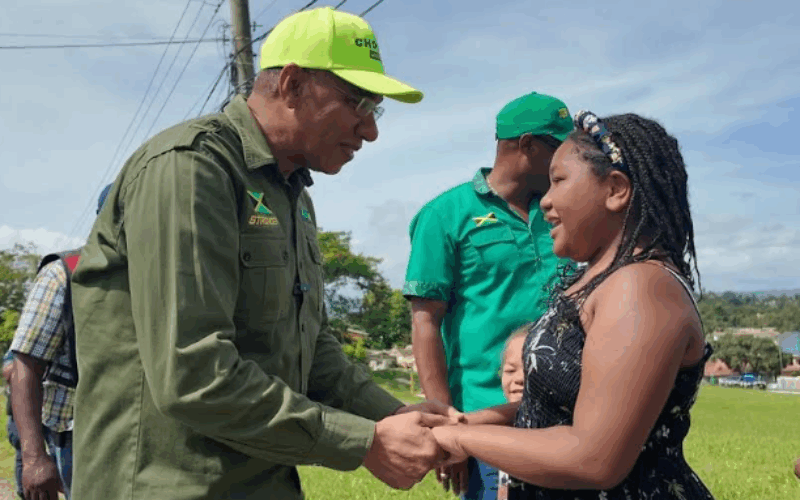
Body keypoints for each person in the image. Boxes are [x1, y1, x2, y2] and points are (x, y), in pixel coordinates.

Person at [69, 7, 460, 500]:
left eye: (375, 109)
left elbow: (313, 350)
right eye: (357, 102)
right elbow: (192, 372)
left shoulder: (292, 196)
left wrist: (395, 414)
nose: (371, 130)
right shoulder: (191, 168)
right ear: (292, 85)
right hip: (167, 485)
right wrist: (363, 443)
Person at [430, 111, 716, 499]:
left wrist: (461, 439)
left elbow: (595, 456)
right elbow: (562, 406)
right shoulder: (603, 282)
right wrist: (474, 420)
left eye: (559, 181)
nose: (545, 202)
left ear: (616, 189)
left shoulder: (640, 288)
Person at [403, 92, 572, 499]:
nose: (567, 162)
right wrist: (447, 427)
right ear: (528, 144)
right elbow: (426, 321)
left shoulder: (560, 212)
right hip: (486, 421)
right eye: (559, 148)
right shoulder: (446, 214)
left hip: (565, 420)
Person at [7, 185, 112, 500]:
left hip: (123, 429)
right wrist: (34, 458)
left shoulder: (149, 274)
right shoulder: (64, 273)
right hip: (71, 433)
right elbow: (22, 366)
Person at [496, 328, 527, 500]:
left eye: (530, 367)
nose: (519, 378)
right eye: (510, 371)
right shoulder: (504, 430)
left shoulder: (558, 430)